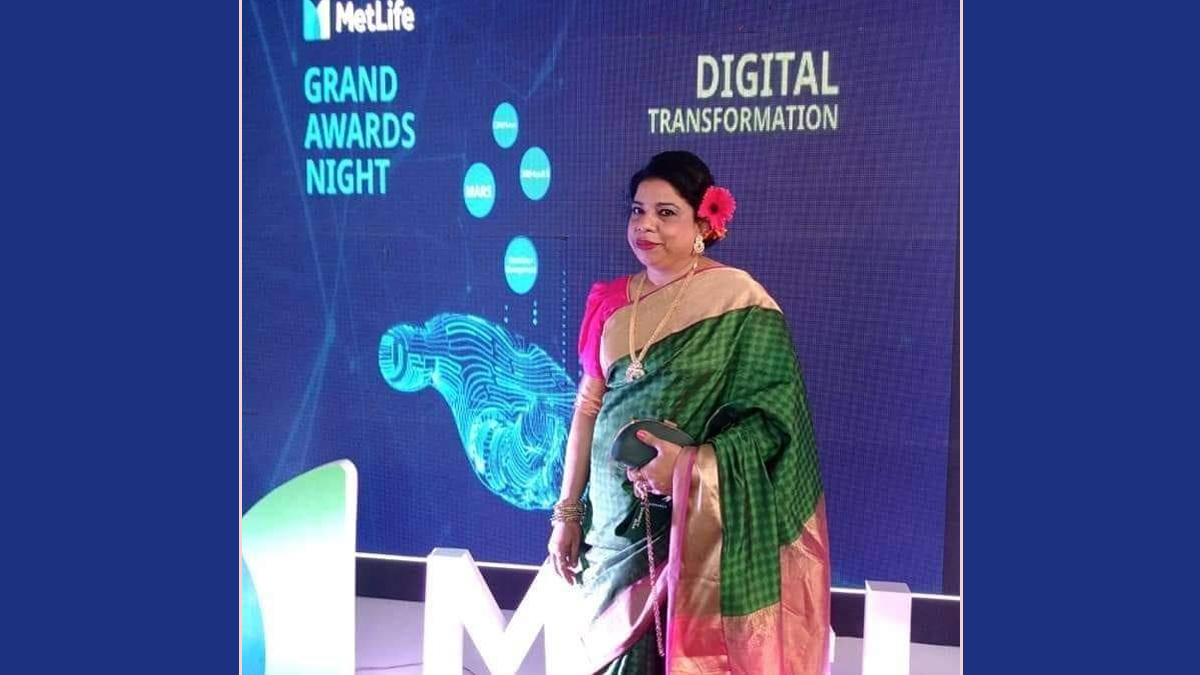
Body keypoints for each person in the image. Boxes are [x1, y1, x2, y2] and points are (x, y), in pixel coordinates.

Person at [546, 150, 831, 674]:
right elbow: (587, 411)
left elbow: (773, 424)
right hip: (610, 528)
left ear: (703, 223)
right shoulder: (609, 301)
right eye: (637, 211)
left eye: (666, 212)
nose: (645, 225)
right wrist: (567, 513)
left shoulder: (739, 302)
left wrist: (687, 467)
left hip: (690, 524)